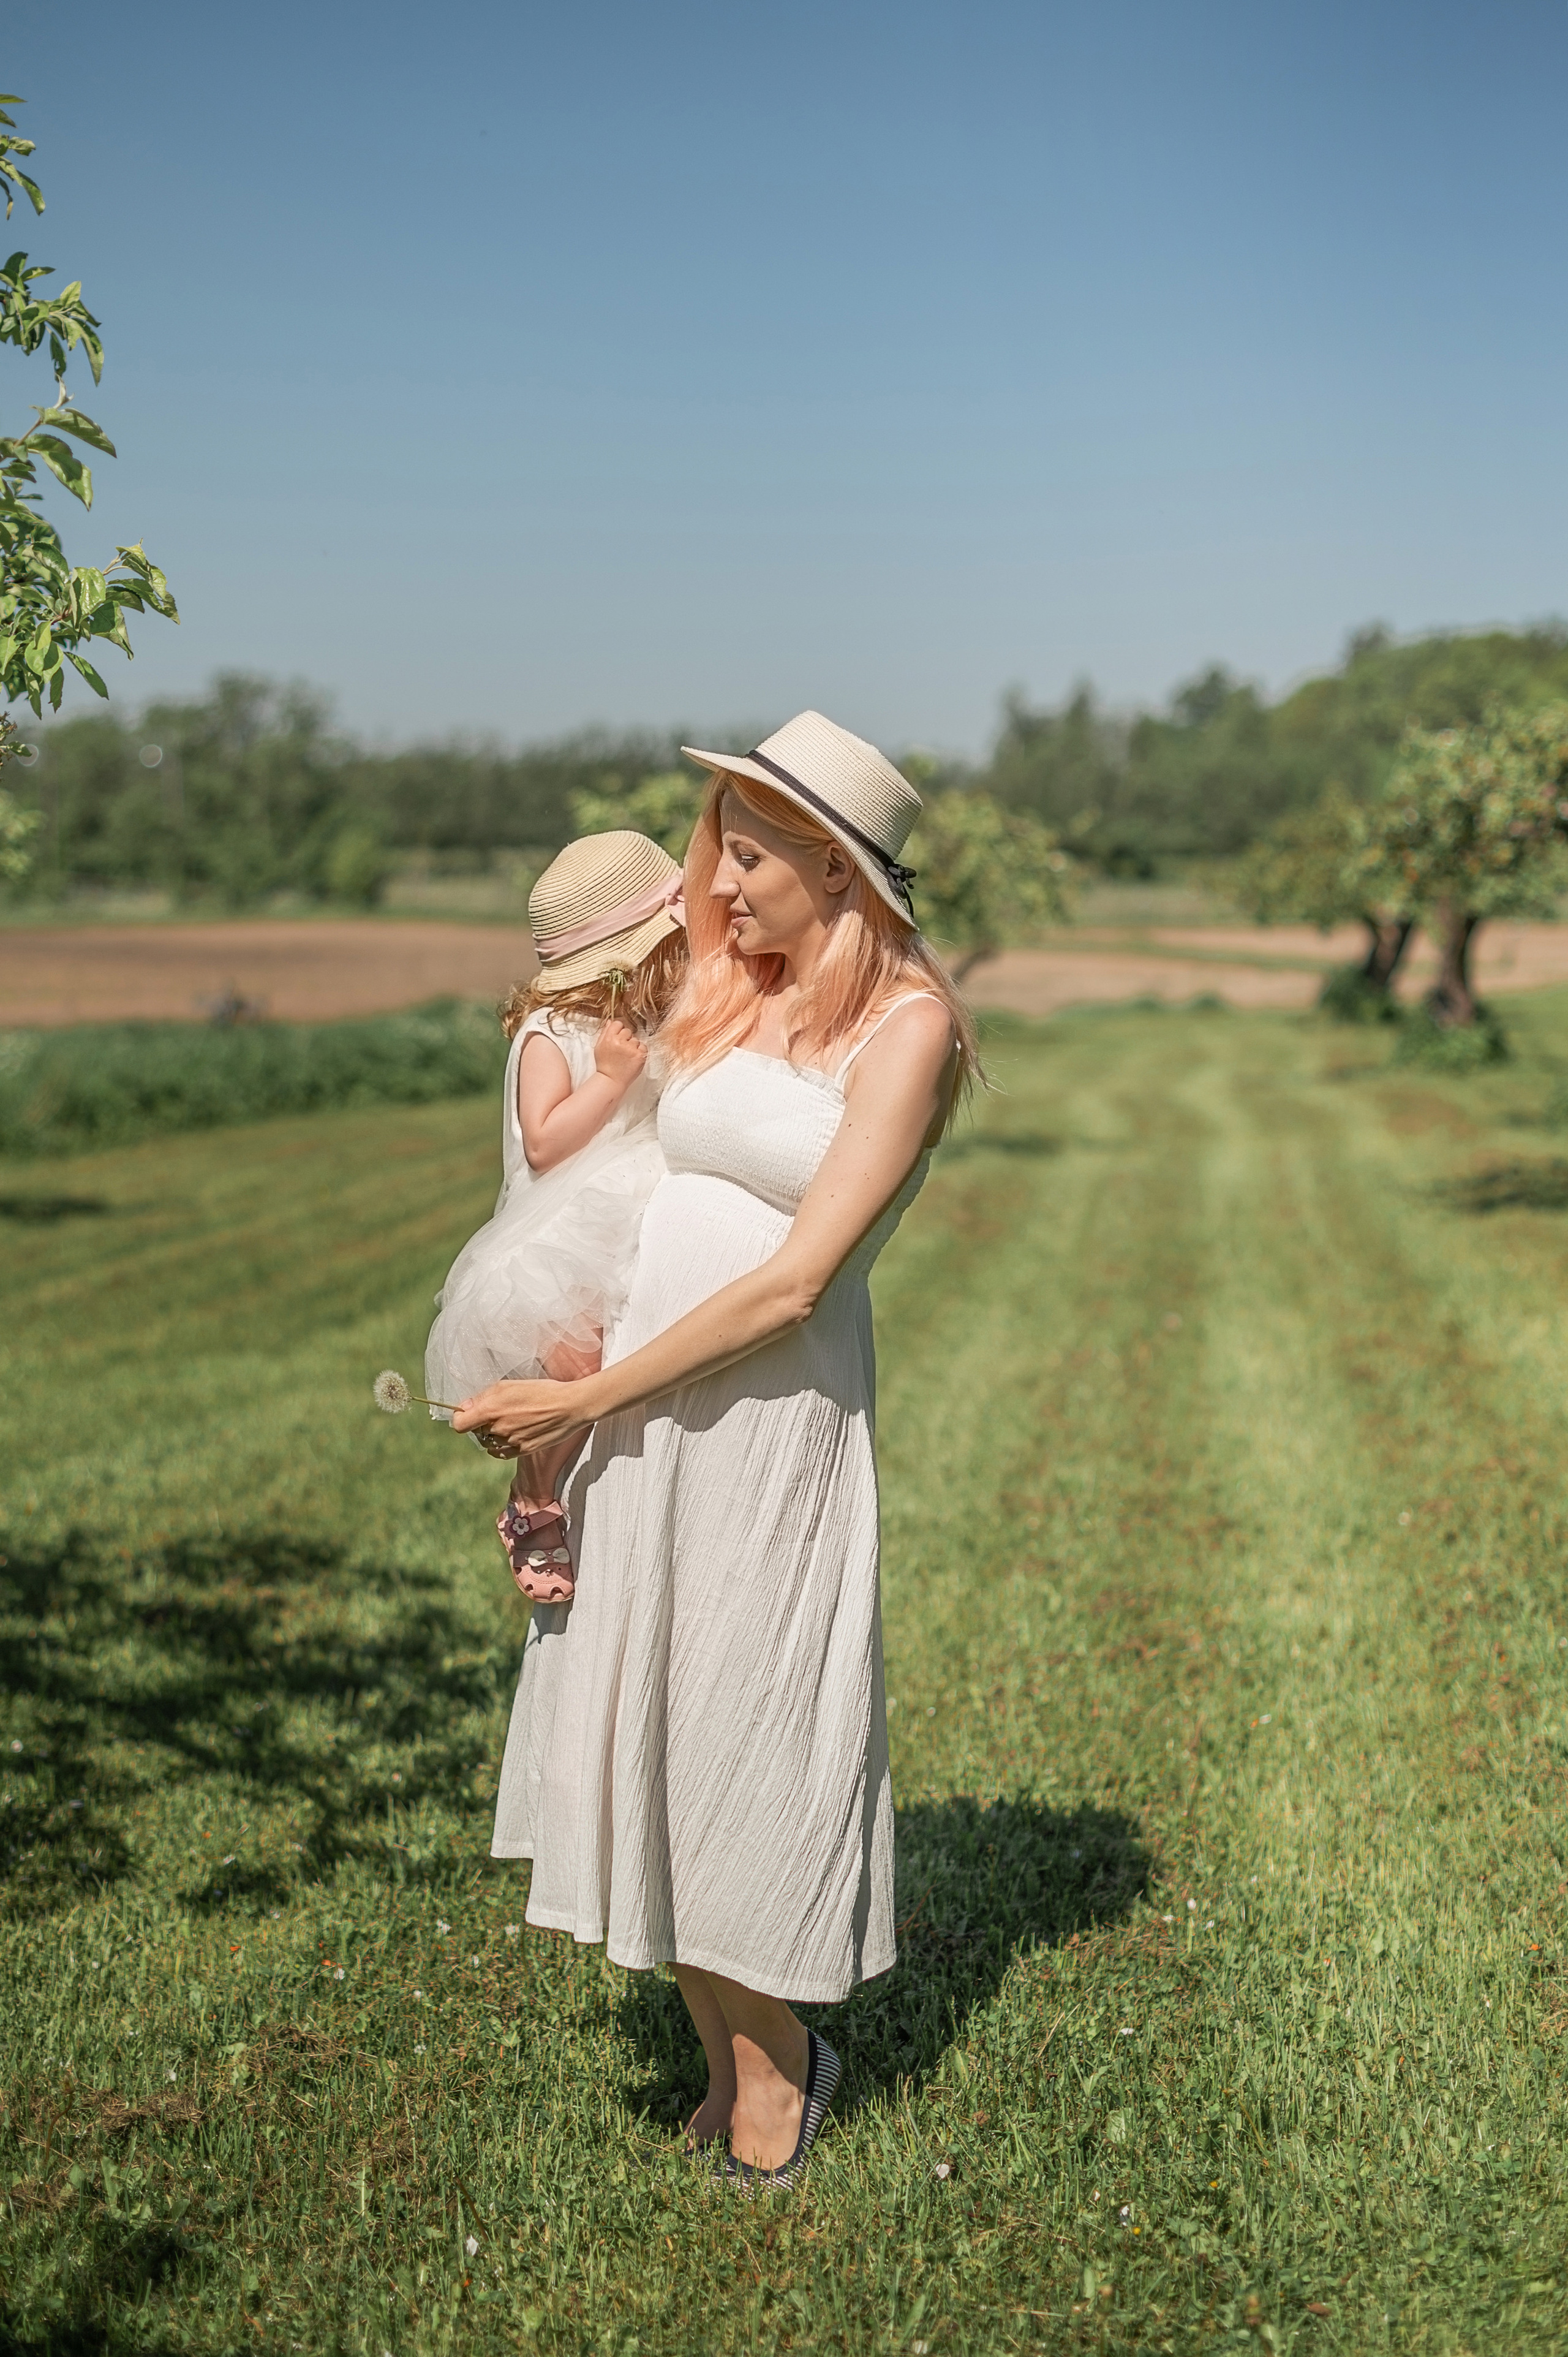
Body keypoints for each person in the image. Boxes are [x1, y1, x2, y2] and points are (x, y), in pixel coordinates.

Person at [454, 711, 981, 2187]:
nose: (718, 882)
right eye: (719, 851)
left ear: (836, 867)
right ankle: (732, 2065)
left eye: (748, 855)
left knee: (737, 1725)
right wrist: (555, 1375)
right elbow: (592, 1107)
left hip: (764, 1415)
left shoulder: (908, 1031)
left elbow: (796, 1281)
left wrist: (585, 1400)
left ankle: (781, 2064)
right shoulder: (724, 984)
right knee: (648, 1720)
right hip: (637, 1408)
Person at [425, 831, 685, 1602]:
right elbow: (543, 1145)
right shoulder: (552, 1032)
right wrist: (608, 1081)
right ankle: (533, 1493)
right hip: (567, 1226)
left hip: (639, 1203)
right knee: (574, 1368)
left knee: (624, 1361)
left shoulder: (644, 1017)